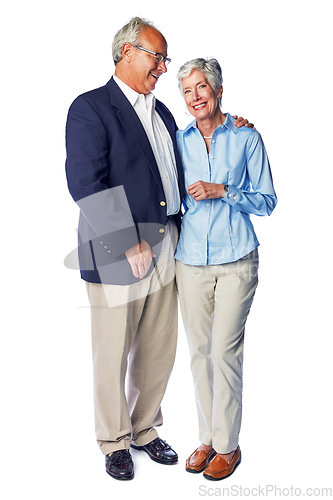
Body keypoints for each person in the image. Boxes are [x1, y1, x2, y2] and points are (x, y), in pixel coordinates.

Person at [65, 17, 252, 481]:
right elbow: (85, 183)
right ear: (126, 53)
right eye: (157, 57)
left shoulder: (164, 112)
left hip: (170, 242)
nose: (164, 68)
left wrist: (235, 124)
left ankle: (145, 429)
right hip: (118, 248)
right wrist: (128, 241)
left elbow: (192, 152)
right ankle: (114, 441)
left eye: (166, 59)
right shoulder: (90, 108)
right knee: (113, 349)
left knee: (157, 346)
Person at [175, 58, 277, 481]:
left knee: (224, 352)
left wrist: (225, 191)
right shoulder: (177, 140)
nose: (195, 97)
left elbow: (267, 200)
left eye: (201, 87)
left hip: (237, 260)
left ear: (217, 89)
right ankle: (207, 439)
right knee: (199, 354)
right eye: (186, 91)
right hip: (190, 260)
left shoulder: (247, 137)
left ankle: (228, 446)